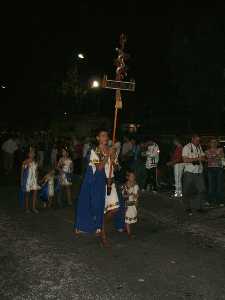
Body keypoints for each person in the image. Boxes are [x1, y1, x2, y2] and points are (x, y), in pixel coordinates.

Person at [74, 129, 124, 246]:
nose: (105, 137)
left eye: (106, 135)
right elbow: (100, 168)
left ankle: (97, 225)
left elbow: (117, 168)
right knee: (100, 209)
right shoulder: (94, 151)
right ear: (98, 138)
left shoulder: (111, 150)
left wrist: (113, 157)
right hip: (99, 184)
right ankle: (103, 235)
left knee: (114, 209)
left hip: (110, 182)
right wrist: (107, 155)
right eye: (102, 135)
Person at [182, 134, 206, 214]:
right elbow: (185, 160)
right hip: (189, 172)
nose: (198, 142)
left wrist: (202, 158)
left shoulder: (199, 147)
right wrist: (196, 159)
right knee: (186, 191)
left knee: (201, 189)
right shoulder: (186, 147)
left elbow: (203, 156)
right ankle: (187, 208)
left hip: (199, 172)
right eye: (196, 140)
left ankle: (199, 207)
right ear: (192, 139)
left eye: (199, 140)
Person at [205, 139, 224, 207]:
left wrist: (212, 157)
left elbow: (221, 157)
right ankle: (209, 201)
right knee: (211, 186)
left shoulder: (220, 149)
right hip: (210, 169)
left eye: (215, 142)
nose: (213, 143)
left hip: (219, 169)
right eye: (212, 142)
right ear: (210, 143)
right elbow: (208, 159)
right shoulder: (206, 151)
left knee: (219, 186)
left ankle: (220, 201)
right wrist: (216, 156)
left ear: (217, 143)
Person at [21, 148, 40, 213]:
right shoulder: (25, 161)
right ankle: (27, 208)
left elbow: (36, 170)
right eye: (31, 153)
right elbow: (23, 171)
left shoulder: (35, 161)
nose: (32, 154)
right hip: (28, 180)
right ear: (28, 154)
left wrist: (37, 175)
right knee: (27, 194)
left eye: (33, 153)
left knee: (35, 193)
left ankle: (33, 208)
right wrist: (22, 180)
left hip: (34, 179)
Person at [122, 172, 139, 237]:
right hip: (128, 204)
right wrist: (130, 194)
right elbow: (124, 196)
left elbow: (137, 194)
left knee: (132, 217)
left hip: (133, 204)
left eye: (134, 176)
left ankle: (127, 229)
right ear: (127, 177)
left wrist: (136, 199)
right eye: (131, 176)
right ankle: (129, 233)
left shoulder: (136, 184)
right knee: (128, 219)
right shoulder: (125, 185)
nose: (133, 178)